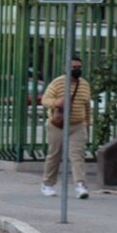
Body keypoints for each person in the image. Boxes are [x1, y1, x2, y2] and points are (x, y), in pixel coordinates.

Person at [40, 55, 92, 200]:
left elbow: (87, 106)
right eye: (74, 67)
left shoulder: (84, 85)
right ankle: (48, 184)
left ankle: (80, 185)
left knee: (77, 155)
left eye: (79, 67)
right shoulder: (57, 83)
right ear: (67, 68)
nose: (77, 70)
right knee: (54, 154)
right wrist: (57, 102)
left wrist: (88, 123)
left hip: (78, 125)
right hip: (58, 125)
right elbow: (45, 100)